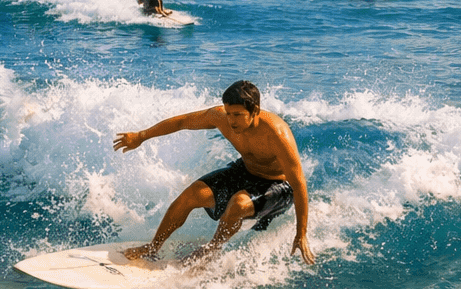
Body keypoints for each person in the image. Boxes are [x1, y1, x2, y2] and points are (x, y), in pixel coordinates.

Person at [113, 79, 314, 263]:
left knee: (238, 204)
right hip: (245, 171)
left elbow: (299, 184)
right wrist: (141, 135)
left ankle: (210, 251)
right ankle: (153, 247)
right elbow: (182, 122)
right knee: (191, 194)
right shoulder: (221, 117)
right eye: (228, 113)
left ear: (255, 110)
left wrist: (301, 233)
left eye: (238, 115)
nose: (231, 120)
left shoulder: (277, 133)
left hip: (277, 185)